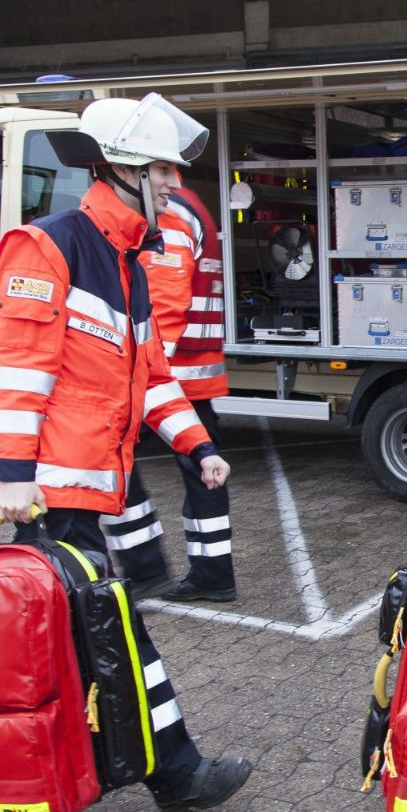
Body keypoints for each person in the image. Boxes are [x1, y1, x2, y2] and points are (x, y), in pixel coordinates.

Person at [0, 93, 251, 812]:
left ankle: (116, 775)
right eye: (162, 169)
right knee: (115, 634)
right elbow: (13, 370)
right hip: (48, 496)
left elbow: (150, 375)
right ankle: (176, 775)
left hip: (86, 489)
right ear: (122, 168)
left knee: (95, 640)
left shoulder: (128, 260)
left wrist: (196, 445)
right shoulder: (50, 246)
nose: (171, 183)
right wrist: (10, 478)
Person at [99, 184, 237, 602]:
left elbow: (162, 298)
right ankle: (209, 574)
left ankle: (146, 570)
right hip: (187, 370)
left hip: (163, 374)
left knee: (121, 464)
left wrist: (138, 368)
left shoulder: (168, 210)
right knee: (203, 474)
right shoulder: (188, 202)